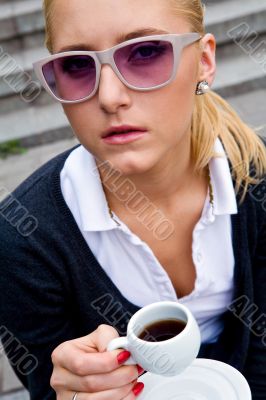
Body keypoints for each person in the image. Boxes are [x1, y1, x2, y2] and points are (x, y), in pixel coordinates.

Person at [0, 0, 265, 399]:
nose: (110, 97)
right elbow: (46, 383)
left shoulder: (257, 178)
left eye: (145, 52)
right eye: (76, 65)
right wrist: (73, 390)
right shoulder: (22, 238)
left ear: (204, 61)